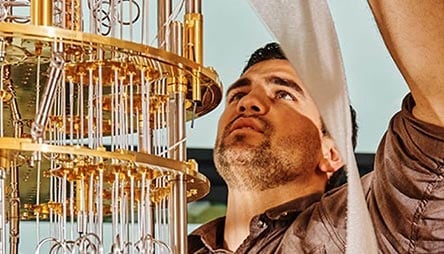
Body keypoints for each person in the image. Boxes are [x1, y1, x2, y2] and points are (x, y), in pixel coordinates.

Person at [188, 1, 444, 253]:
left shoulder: (372, 224)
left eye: (284, 93)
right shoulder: (175, 244)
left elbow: (437, 112)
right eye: (237, 94)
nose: (248, 102)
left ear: (332, 153)